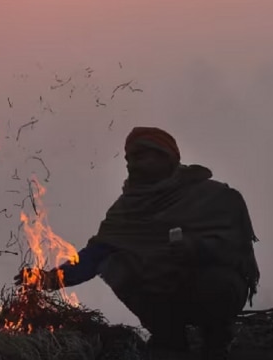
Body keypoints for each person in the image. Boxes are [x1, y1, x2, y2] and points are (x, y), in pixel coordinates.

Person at [15, 127, 260, 360]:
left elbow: (235, 249)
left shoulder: (213, 196)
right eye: (133, 157)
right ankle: (169, 337)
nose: (136, 163)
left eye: (146, 155)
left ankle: (216, 340)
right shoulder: (127, 209)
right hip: (165, 294)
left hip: (214, 287)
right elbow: (95, 255)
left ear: (168, 158)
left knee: (216, 282)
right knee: (114, 264)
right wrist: (49, 279)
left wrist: (196, 248)